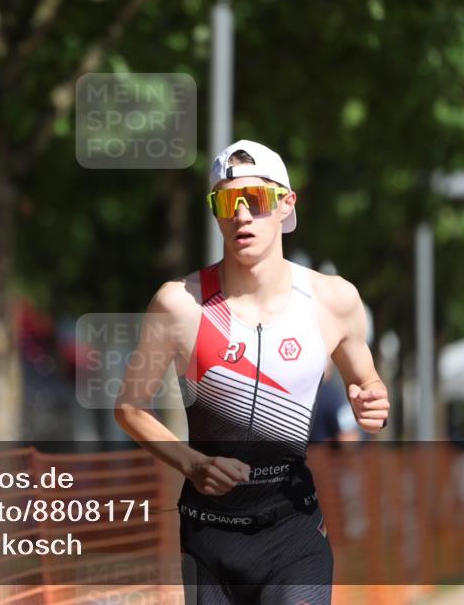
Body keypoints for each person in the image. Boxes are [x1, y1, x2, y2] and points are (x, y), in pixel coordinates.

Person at [115, 140, 389, 604]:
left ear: (285, 205)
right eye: (226, 201)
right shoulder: (179, 304)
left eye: (256, 200)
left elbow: (370, 390)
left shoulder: (333, 300)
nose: (241, 214)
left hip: (293, 532)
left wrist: (375, 403)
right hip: (210, 538)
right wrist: (193, 463)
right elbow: (128, 407)